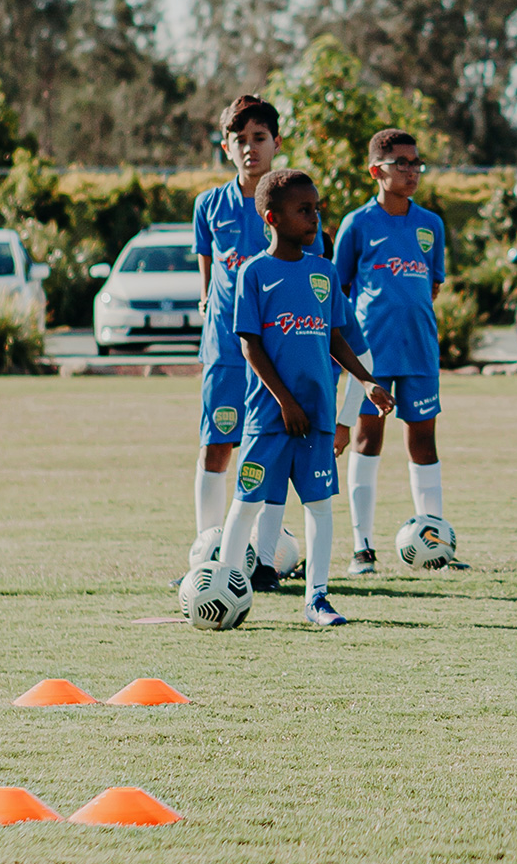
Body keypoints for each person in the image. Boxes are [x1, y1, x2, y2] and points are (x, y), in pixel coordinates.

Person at [217, 169, 394, 625]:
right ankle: (224, 585)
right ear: (273, 218)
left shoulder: (324, 272)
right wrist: (284, 401)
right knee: (247, 500)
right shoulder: (255, 273)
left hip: (314, 414)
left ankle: (317, 597)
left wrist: (367, 379)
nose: (314, 217)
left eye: (316, 208)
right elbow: (250, 345)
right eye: (304, 210)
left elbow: (336, 338)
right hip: (268, 416)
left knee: (318, 504)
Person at [191, 96, 322, 592]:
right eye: (239, 140)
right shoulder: (209, 205)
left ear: (276, 143)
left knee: (267, 453)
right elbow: (207, 267)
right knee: (216, 445)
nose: (250, 148)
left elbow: (312, 275)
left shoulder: (292, 201)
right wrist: (207, 298)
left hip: (278, 356)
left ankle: (264, 561)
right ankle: (207, 552)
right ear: (226, 146)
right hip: (225, 351)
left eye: (259, 138)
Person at [333, 129, 446, 575]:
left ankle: (434, 540)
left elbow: (431, 285)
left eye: (416, 162)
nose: (411, 170)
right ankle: (362, 546)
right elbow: (339, 291)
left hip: (419, 348)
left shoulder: (431, 224)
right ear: (376, 170)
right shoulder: (357, 224)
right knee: (367, 439)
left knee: (423, 438)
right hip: (371, 357)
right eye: (401, 162)